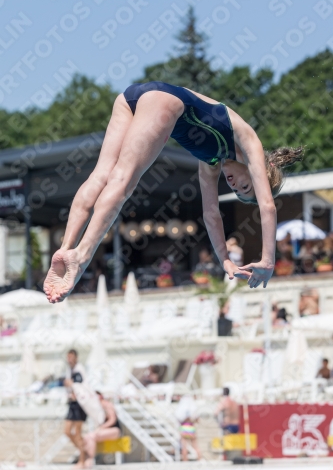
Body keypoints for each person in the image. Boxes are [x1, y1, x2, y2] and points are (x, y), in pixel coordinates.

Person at [44, 81, 304, 303]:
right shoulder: (250, 143)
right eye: (245, 186)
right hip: (165, 102)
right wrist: (268, 261)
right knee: (123, 180)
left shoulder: (211, 162)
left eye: (237, 191)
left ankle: (65, 248)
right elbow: (267, 206)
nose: (235, 186)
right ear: (260, 172)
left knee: (101, 175)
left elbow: (211, 215)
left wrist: (225, 260)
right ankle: (82, 255)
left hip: (132, 98)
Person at [84, 391, 121, 468]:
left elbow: (112, 420)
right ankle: (87, 459)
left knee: (92, 436)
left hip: (114, 430)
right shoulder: (97, 407)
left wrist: (101, 427)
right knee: (87, 437)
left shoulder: (107, 405)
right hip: (104, 430)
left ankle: (90, 459)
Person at [63, 349, 87, 469]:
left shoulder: (79, 369)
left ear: (76, 358)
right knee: (67, 431)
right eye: (68, 357)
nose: (69, 359)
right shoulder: (69, 370)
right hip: (71, 403)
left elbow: (80, 383)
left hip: (79, 404)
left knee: (78, 433)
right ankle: (84, 452)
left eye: (71, 357)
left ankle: (82, 460)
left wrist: (71, 384)